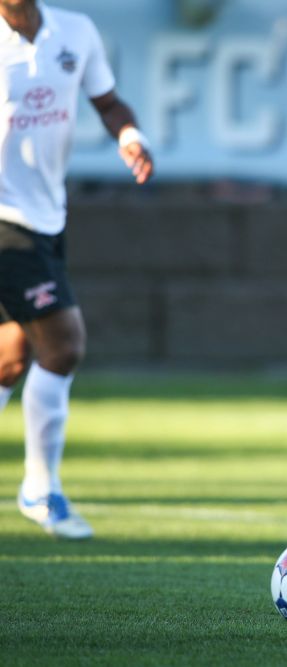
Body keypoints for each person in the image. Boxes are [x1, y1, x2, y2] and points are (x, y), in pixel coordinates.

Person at [0, 0, 154, 539]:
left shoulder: (75, 31)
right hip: (5, 222)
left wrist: (129, 137)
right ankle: (41, 490)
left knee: (10, 356)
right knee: (64, 345)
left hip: (47, 216)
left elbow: (109, 103)